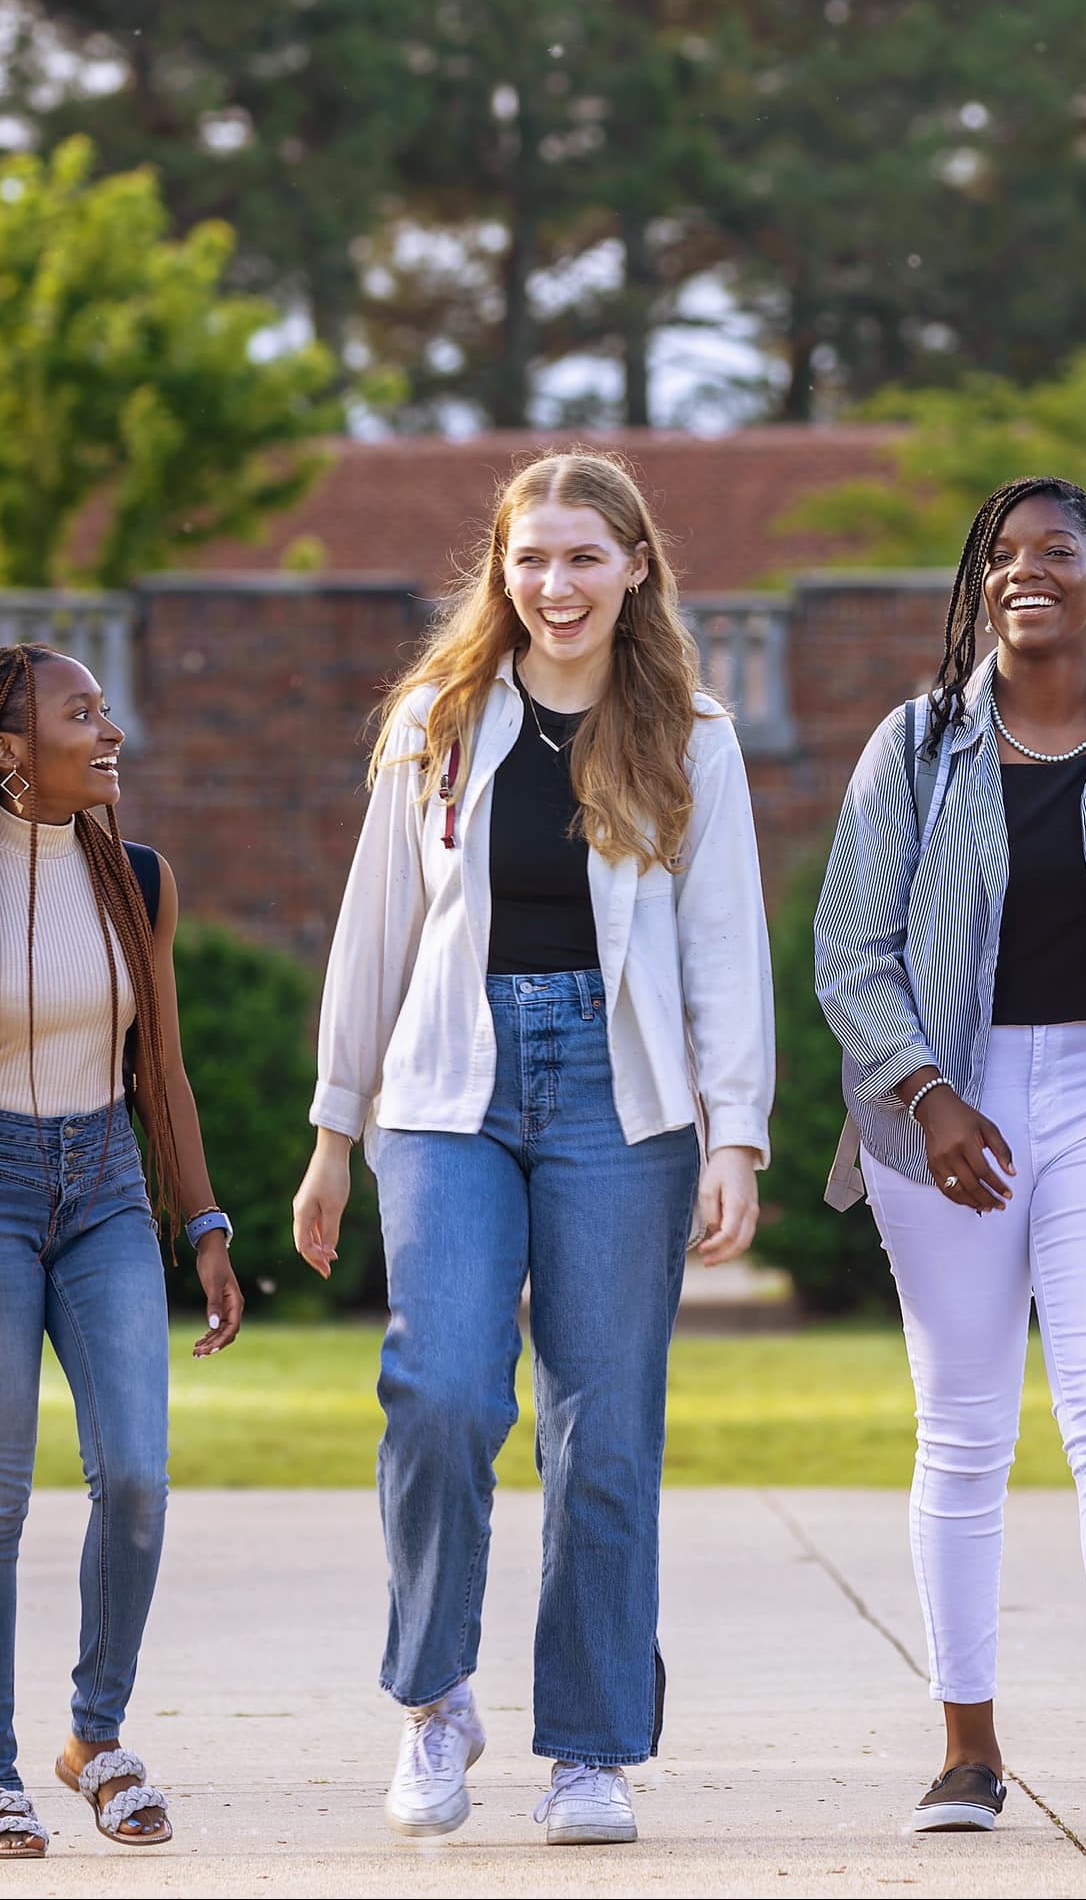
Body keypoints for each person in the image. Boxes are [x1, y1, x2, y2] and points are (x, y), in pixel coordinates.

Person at [292, 452, 775, 1850]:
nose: (553, 586)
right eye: (529, 559)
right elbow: (374, 928)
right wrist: (335, 1130)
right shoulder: (436, 722)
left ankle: (591, 1746)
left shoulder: (692, 731)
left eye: (581, 557)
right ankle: (435, 1695)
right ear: (498, 573)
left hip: (621, 1104)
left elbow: (722, 947)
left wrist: (732, 1130)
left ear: (635, 566)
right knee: (440, 1390)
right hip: (449, 1090)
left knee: (603, 1429)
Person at [814, 477, 1086, 1842]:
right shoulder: (914, 744)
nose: (1024, 571)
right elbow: (852, 949)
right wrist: (931, 1091)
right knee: (962, 1425)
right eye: (1000, 555)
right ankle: (967, 1750)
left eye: (1054, 551)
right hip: (943, 1102)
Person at [0, 641, 248, 1863]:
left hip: (105, 1186)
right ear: (8, 749)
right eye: (82, 712)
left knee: (135, 1474)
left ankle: (95, 1735)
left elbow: (162, 1071)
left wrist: (204, 1223)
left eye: (105, 705)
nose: (110, 728)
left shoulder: (139, 876)